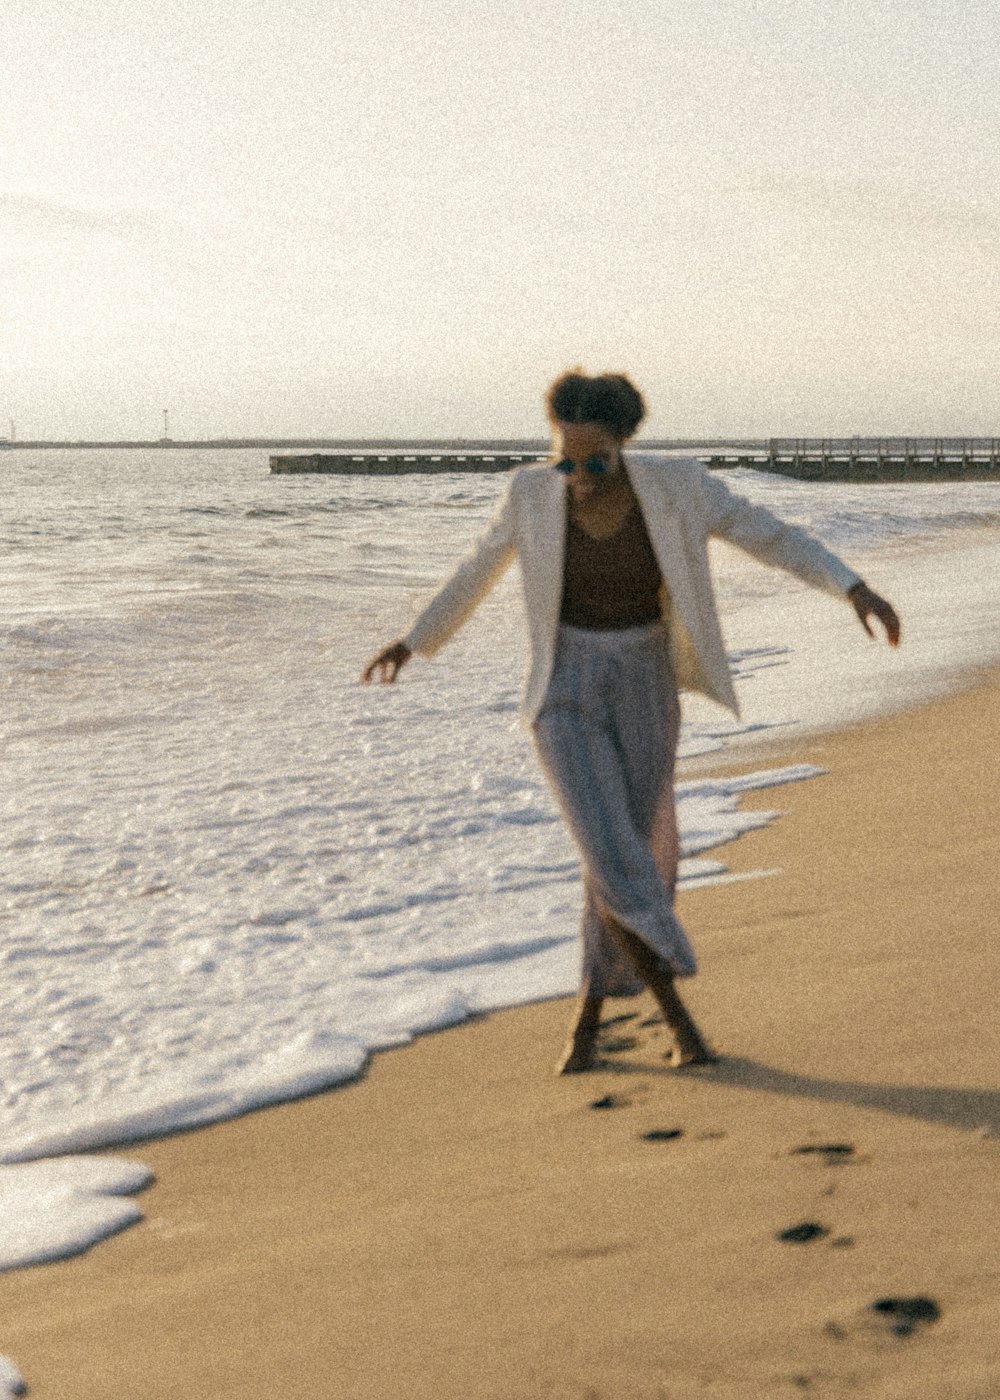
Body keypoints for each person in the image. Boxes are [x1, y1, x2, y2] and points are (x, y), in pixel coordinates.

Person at [362, 371, 901, 1074]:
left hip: (646, 679)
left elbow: (771, 535)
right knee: (607, 847)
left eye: (596, 461)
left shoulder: (678, 487)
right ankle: (675, 992)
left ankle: (587, 1025)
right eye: (566, 460)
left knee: (624, 855)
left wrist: (851, 586)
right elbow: (478, 568)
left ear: (624, 445)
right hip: (564, 686)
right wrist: (414, 640)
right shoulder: (530, 493)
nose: (579, 476)